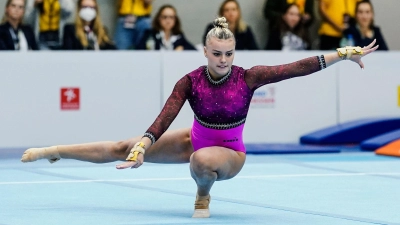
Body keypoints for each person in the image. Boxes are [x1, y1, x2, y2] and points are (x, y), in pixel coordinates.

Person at [21, 17, 378, 218]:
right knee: (122, 145)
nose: (224, 60)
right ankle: (56, 150)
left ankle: (202, 196)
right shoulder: (190, 81)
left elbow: (295, 67)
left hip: (229, 153)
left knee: (202, 160)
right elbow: (164, 118)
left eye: (229, 54)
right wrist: (143, 146)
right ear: (204, 51)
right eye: (217, 54)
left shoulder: (248, 77)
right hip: (193, 138)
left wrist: (343, 53)